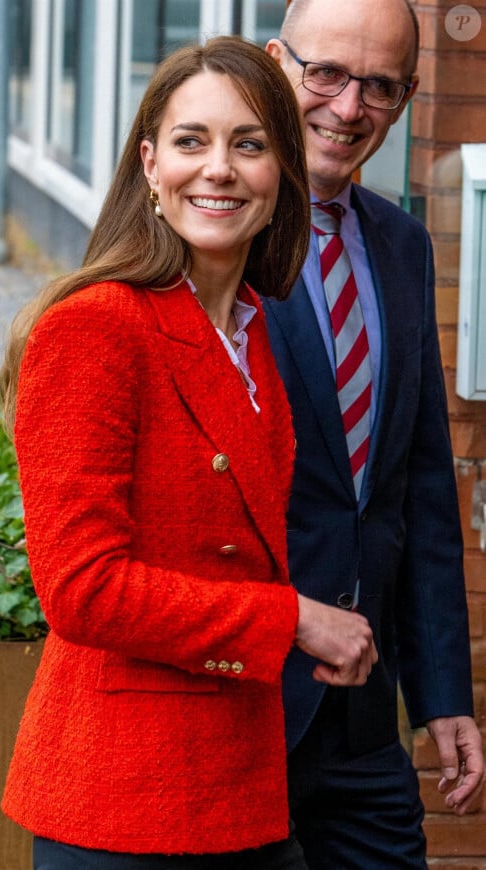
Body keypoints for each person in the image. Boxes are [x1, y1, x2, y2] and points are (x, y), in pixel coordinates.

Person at [0, 36, 378, 870]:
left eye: (249, 145)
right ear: (149, 165)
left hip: (238, 782)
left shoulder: (250, 333)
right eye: (191, 141)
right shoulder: (96, 327)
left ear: (281, 176)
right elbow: (83, 589)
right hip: (123, 799)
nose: (220, 169)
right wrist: (296, 620)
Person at [264, 1, 485, 867]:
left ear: (408, 95)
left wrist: (444, 694)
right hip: (239, 709)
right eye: (326, 74)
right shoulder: (211, 233)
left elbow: (421, 486)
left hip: (362, 721)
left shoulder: (401, 242)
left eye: (379, 86)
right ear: (279, 63)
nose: (348, 108)